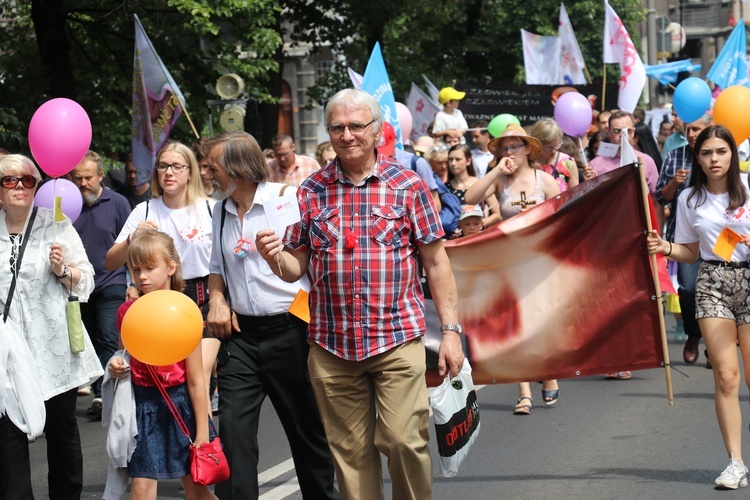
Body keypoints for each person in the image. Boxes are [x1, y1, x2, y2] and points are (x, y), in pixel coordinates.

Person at [255, 88, 464, 499]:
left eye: (356, 126)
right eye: (338, 127)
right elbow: (296, 266)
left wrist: (452, 332)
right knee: (350, 456)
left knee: (404, 442)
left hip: (397, 338)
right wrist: (273, 257)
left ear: (377, 130)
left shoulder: (408, 186)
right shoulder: (311, 190)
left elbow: (437, 264)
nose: (347, 135)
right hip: (332, 347)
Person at [202, 131, 337, 500]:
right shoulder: (219, 212)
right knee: (233, 432)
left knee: (306, 432)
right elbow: (217, 268)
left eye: (213, 167)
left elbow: (316, 261)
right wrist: (216, 297)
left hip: (291, 331)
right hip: (241, 337)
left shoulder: (288, 200)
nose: (207, 175)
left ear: (238, 168)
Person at [647, 125, 750, 490]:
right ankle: (735, 463)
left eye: (721, 151)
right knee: (725, 376)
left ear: (732, 154)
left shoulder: (749, 189)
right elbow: (690, 251)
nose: (714, 159)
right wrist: (665, 248)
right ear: (697, 157)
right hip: (713, 284)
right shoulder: (690, 198)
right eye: (706, 153)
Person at [0, 154, 103, 499]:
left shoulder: (56, 224)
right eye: (9, 180)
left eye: (27, 180)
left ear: (36, 187)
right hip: (9, 352)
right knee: (9, 429)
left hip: (53, 345)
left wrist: (62, 271)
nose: (19, 187)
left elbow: (85, 281)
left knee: (62, 427)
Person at [106, 142, 219, 416]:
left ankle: (202, 443)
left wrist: (222, 301)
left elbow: (224, 263)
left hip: (201, 297)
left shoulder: (211, 209)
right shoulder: (144, 211)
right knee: (171, 384)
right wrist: (133, 238)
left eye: (177, 166)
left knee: (198, 379)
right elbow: (110, 261)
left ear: (190, 172)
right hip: (158, 304)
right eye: (163, 166)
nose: (169, 172)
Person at [108, 229, 216, 499]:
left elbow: (195, 379)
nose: (142, 276)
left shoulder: (184, 310)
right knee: (141, 487)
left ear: (170, 267)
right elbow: (125, 354)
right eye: (135, 269)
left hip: (180, 406)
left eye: (149, 267)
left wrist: (202, 432)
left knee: (196, 489)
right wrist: (117, 366)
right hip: (143, 408)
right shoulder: (127, 312)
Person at [464, 123, 561, 413]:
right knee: (516, 326)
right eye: (504, 148)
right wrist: (495, 171)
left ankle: (549, 373)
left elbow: (563, 217)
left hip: (540, 259)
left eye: (514, 147)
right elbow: (470, 199)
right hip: (508, 261)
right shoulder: (499, 181)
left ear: (527, 149)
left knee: (540, 322)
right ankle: (523, 391)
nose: (509, 152)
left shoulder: (544, 180)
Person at [71, 150, 132, 419]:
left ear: (100, 176)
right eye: (77, 178)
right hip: (78, 285)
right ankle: (99, 390)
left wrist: (132, 282)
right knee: (89, 340)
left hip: (111, 281)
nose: (82, 183)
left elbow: (129, 244)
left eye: (87, 178)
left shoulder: (118, 203)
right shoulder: (66, 205)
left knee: (108, 335)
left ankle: (109, 393)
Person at [656, 113, 712, 366]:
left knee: (714, 292)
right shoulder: (674, 155)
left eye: (697, 129)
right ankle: (693, 333)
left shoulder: (717, 154)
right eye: (688, 129)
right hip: (684, 239)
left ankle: (714, 344)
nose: (690, 134)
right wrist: (673, 183)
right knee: (688, 289)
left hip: (717, 239)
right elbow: (660, 198)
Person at [583, 111, 659, 196]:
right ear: (608, 131)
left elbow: (655, 198)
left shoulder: (646, 161)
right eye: (616, 130)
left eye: (627, 131)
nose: (622, 134)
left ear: (633, 132)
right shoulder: (595, 164)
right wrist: (588, 184)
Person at [447, 144, 501, 227]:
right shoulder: (446, 188)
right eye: (450, 159)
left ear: (468, 161)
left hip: (477, 236)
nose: (453, 163)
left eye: (458, 159)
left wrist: (477, 224)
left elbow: (497, 214)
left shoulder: (481, 184)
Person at [529, 118, 579, 192]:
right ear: (537, 144)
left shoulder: (568, 162)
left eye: (557, 145)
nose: (553, 151)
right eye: (547, 148)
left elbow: (575, 194)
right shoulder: (528, 161)